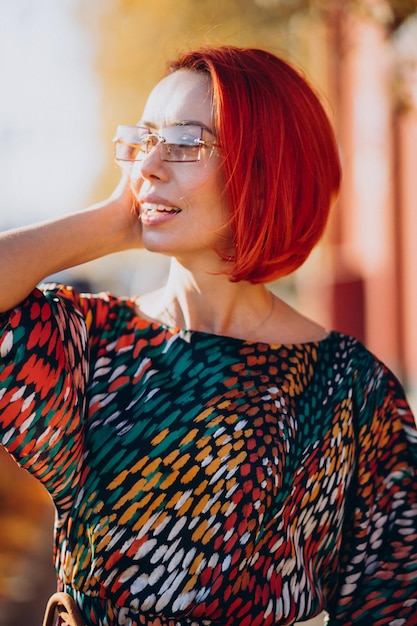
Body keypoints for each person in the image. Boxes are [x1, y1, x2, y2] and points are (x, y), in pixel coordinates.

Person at [0, 45, 416, 626]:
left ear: (265, 166)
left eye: (185, 143)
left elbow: (392, 604)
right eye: (144, 140)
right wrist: (110, 219)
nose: (148, 163)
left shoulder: (353, 391)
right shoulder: (91, 341)